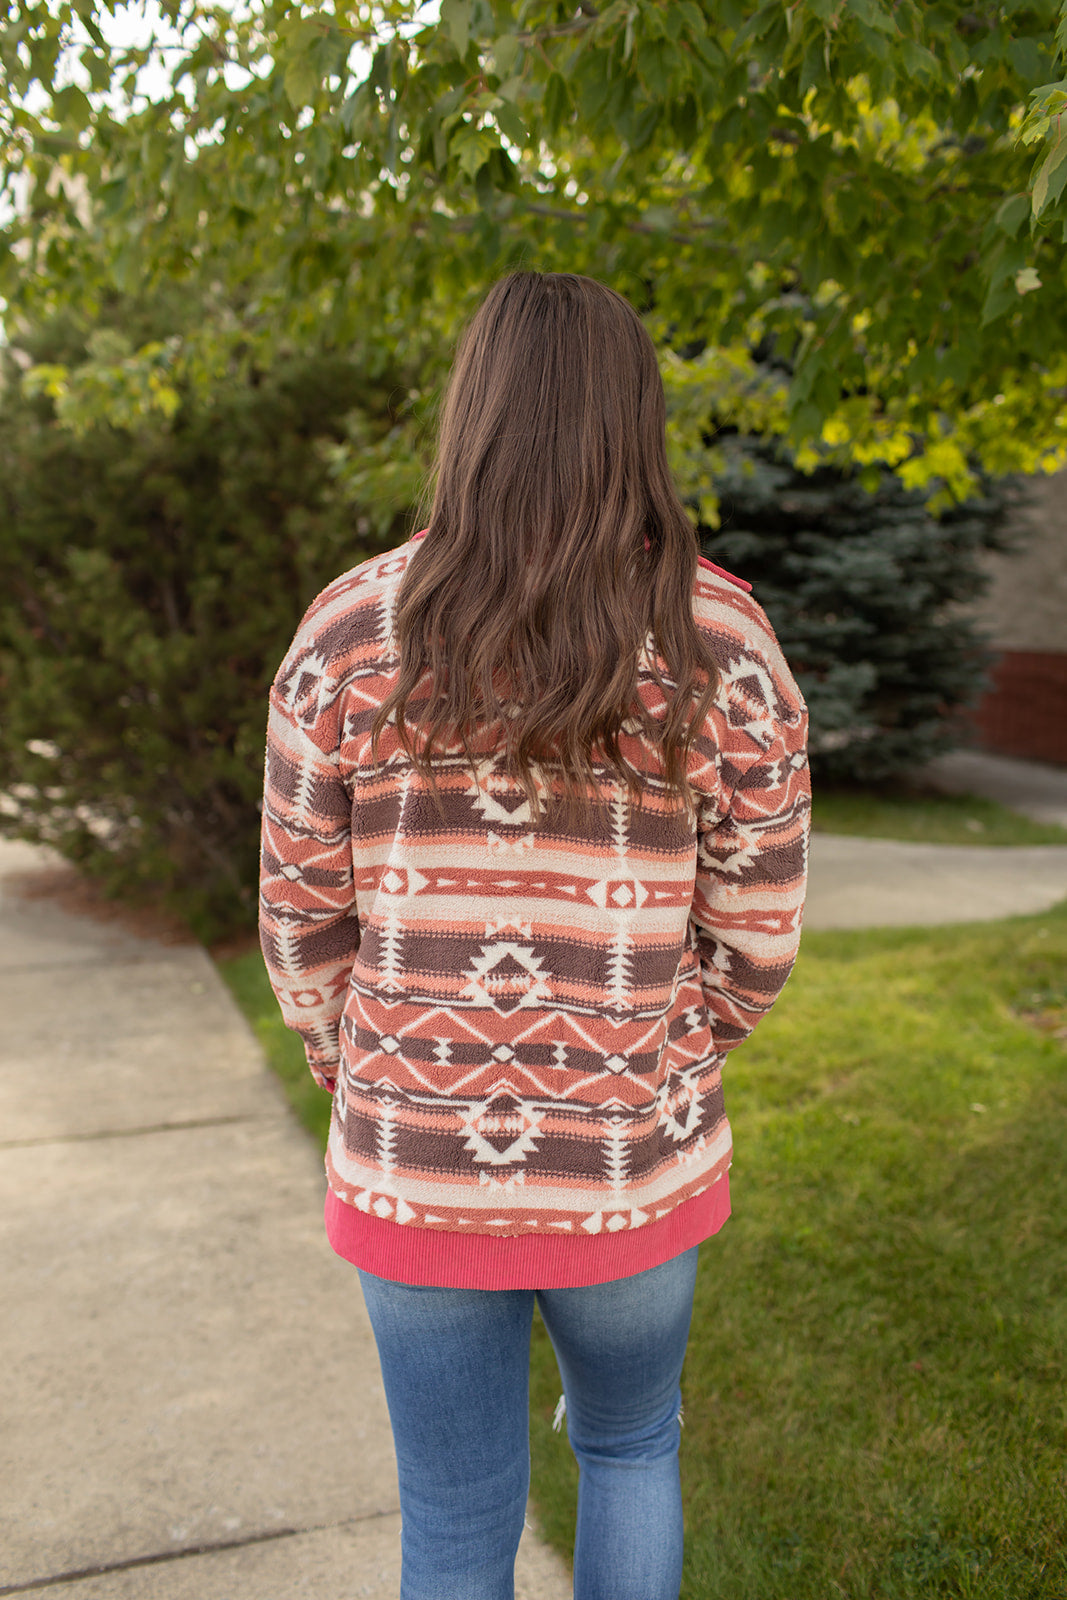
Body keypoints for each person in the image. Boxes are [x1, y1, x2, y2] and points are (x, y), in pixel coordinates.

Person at [259, 270, 810, 1600]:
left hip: (413, 1155)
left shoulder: (350, 631)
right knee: (631, 1450)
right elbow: (759, 930)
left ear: (474, 413)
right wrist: (664, 1045)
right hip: (632, 1154)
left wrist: (363, 1064)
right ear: (635, 420)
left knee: (452, 1517)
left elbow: (298, 921)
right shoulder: (721, 640)